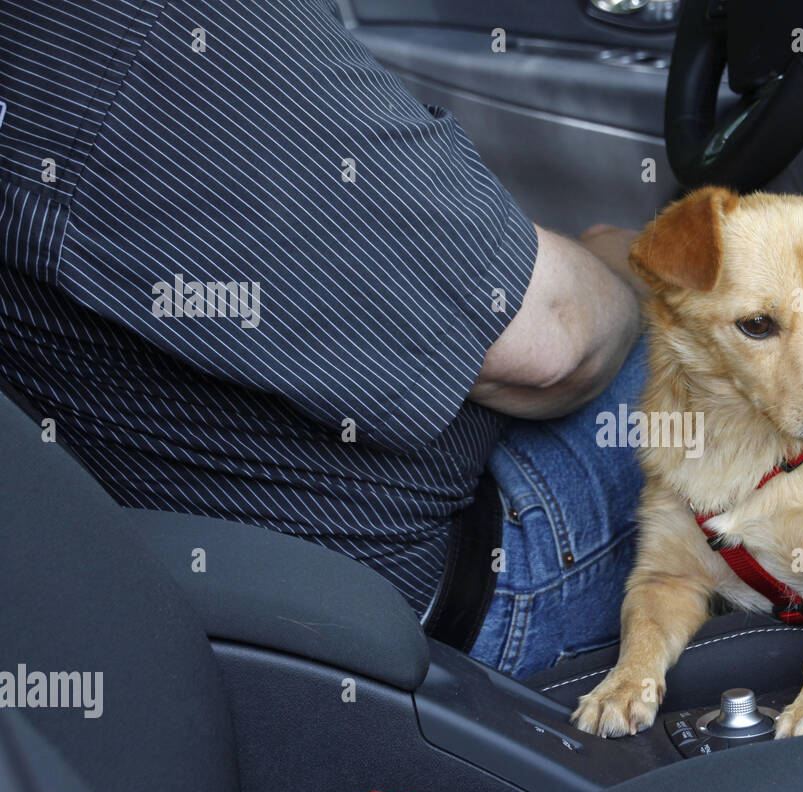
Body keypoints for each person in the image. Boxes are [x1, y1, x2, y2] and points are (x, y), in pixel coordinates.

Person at [0, 0, 649, 677]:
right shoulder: (155, 30)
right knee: (740, 343)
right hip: (453, 582)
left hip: (195, 586)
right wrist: (627, 271)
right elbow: (556, 346)